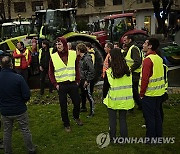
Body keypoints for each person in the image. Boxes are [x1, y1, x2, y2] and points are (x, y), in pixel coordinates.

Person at [0, 56, 36, 154]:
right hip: (19, 109)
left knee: (7, 132)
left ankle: (7, 151)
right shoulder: (18, 78)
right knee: (25, 129)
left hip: (5, 111)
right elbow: (26, 94)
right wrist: (22, 102)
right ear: (11, 65)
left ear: (1, 65)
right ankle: (31, 149)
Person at [49, 37, 83, 132]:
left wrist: (77, 80)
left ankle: (76, 117)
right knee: (63, 106)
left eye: (59, 44)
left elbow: (77, 68)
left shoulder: (72, 54)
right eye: (57, 44)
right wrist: (55, 84)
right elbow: (50, 72)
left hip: (72, 83)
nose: (58, 46)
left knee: (77, 102)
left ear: (64, 44)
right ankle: (66, 124)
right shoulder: (53, 57)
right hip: (61, 85)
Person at [103, 48, 134, 141]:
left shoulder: (109, 72)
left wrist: (104, 97)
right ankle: (124, 138)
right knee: (123, 119)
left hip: (113, 99)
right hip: (125, 99)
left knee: (112, 120)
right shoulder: (128, 70)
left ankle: (112, 137)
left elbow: (105, 87)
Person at [140, 38, 166, 142]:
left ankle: (150, 139)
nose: (143, 45)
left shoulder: (148, 60)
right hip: (159, 93)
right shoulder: (158, 58)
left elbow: (145, 79)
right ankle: (158, 137)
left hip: (149, 94)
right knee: (157, 115)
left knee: (149, 117)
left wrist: (142, 93)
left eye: (145, 43)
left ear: (150, 46)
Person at [123, 35, 142, 110]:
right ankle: (136, 106)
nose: (124, 42)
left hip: (135, 74)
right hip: (132, 74)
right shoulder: (130, 48)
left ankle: (139, 105)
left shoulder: (133, 49)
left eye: (125, 40)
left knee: (134, 92)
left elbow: (137, 62)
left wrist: (130, 69)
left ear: (130, 40)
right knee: (133, 91)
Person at [76, 43, 95, 117]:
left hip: (87, 80)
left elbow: (92, 70)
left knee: (89, 96)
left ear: (79, 50)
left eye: (77, 50)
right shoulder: (82, 58)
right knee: (83, 94)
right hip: (82, 79)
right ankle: (83, 107)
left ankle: (92, 112)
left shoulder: (87, 58)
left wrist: (87, 80)